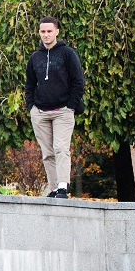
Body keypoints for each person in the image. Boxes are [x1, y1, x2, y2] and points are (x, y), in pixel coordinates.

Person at [24, 16, 85, 199]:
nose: (46, 35)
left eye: (49, 31)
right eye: (43, 31)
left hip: (62, 112)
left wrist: (70, 106)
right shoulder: (35, 58)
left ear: (57, 31)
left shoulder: (67, 54)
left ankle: (63, 187)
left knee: (61, 148)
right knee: (48, 153)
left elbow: (78, 81)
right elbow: (29, 85)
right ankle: (53, 189)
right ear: (39, 33)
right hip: (40, 112)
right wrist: (31, 108)